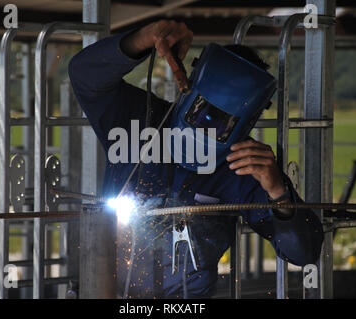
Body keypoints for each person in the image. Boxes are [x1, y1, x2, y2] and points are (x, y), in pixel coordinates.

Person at [68, 20, 324, 298]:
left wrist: (278, 193)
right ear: (187, 88)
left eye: (223, 124)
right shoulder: (138, 121)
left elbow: (303, 253)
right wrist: (141, 39)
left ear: (247, 123)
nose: (206, 129)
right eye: (201, 112)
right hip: (105, 289)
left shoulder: (246, 167)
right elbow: (84, 74)